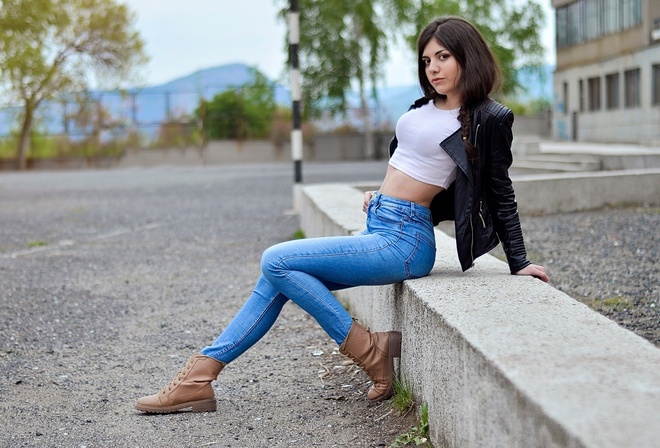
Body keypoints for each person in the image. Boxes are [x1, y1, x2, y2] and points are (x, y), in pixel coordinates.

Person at [135, 16, 549, 414]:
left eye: (443, 57)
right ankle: (200, 379)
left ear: (467, 56)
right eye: (426, 60)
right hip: (381, 223)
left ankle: (369, 352)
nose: (433, 68)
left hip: (406, 240)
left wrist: (519, 260)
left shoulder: (487, 119)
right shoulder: (423, 106)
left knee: (276, 259)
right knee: (277, 277)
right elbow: (409, 163)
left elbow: (498, 189)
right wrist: (383, 194)